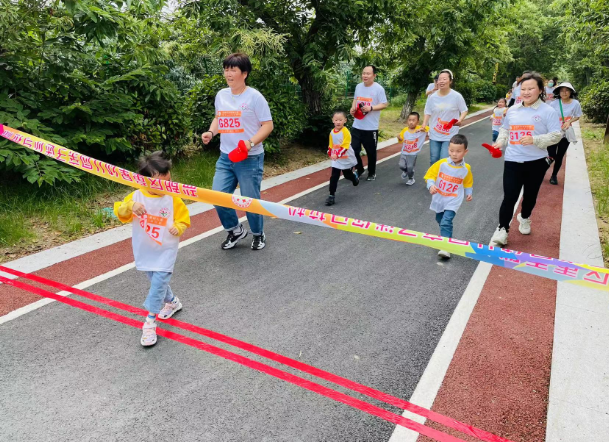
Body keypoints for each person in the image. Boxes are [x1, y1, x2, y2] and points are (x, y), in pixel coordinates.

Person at [114, 152, 191, 347]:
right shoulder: (137, 196)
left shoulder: (172, 198)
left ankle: (149, 322)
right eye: (161, 183)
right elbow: (119, 211)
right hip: (145, 248)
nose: (167, 186)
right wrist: (130, 206)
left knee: (158, 283)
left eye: (169, 180)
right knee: (155, 279)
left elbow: (184, 218)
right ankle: (172, 301)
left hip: (166, 249)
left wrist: (179, 227)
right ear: (146, 181)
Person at [201, 53, 274, 251]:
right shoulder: (221, 95)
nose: (228, 74)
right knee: (218, 196)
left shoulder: (255, 97)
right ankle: (235, 230)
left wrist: (250, 142)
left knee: (250, 201)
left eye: (233, 70)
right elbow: (219, 118)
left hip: (250, 158)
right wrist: (211, 132)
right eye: (226, 69)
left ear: (245, 73)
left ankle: (258, 233)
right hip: (226, 157)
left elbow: (268, 125)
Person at [490, 72, 562, 247]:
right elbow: (505, 129)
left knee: (530, 195)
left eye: (531, 89)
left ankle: (524, 217)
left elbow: (556, 135)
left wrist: (535, 140)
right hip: (513, 160)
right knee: (510, 196)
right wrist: (500, 141)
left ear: (540, 90)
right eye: (523, 89)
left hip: (536, 162)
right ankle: (502, 229)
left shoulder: (548, 111)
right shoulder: (513, 110)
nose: (526, 92)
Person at [423, 134, 473, 259]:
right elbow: (430, 176)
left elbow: (468, 182)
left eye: (458, 151)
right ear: (448, 149)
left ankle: (446, 247)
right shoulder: (441, 164)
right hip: (440, 198)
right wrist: (431, 185)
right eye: (451, 150)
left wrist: (469, 193)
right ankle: (447, 237)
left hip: (454, 199)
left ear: (465, 152)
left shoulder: (466, 168)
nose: (454, 154)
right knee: (440, 219)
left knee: (446, 221)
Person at [420, 69, 468, 165]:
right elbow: (427, 112)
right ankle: (434, 175)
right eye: (439, 79)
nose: (441, 81)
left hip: (450, 134)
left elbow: (464, 110)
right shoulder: (433, 97)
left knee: (444, 159)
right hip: (434, 133)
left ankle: (445, 174)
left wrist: (460, 119)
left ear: (450, 81)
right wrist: (424, 124)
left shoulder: (456, 96)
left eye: (444, 79)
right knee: (434, 159)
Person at [349, 65, 389, 181]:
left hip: (371, 127)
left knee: (371, 152)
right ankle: (360, 169)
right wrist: (352, 108)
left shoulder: (378, 89)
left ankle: (371, 172)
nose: (365, 75)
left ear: (374, 75)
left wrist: (371, 108)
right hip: (357, 125)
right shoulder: (358, 86)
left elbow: (384, 104)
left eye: (368, 73)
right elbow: (355, 99)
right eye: (363, 73)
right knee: (353, 150)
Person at [547, 82, 582, 185]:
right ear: (559, 92)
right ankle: (540, 171)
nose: (564, 93)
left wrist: (569, 121)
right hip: (554, 132)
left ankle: (554, 176)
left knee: (560, 155)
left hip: (566, 133)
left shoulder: (575, 103)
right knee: (551, 154)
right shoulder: (554, 103)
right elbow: (548, 116)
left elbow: (577, 116)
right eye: (562, 91)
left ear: (571, 92)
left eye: (567, 90)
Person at [326, 111, 359, 206]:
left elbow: (345, 146)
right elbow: (331, 145)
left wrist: (338, 154)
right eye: (336, 120)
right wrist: (330, 153)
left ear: (345, 120)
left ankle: (354, 178)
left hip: (346, 157)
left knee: (347, 175)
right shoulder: (332, 132)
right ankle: (331, 195)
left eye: (340, 120)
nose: (338, 122)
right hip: (336, 159)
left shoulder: (346, 132)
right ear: (333, 120)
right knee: (334, 176)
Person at [397, 111, 428, 185]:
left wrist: (422, 129)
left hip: (413, 153)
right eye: (409, 120)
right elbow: (401, 140)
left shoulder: (419, 129)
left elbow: (428, 129)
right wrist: (399, 138)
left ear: (418, 122)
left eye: (413, 120)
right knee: (401, 165)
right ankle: (405, 171)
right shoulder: (405, 130)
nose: (411, 122)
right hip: (404, 152)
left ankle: (411, 178)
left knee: (410, 167)